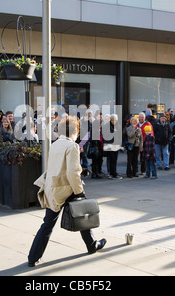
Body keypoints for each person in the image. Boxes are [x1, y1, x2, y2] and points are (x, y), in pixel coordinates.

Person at [28, 116, 107, 267]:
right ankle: (92, 246)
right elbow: (72, 173)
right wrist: (79, 191)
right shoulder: (72, 146)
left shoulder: (56, 144)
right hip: (67, 188)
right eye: (77, 131)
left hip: (53, 188)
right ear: (74, 131)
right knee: (83, 214)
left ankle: (33, 257)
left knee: (47, 225)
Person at [103, 114, 122, 179]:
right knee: (111, 159)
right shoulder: (106, 126)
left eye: (114, 120)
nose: (113, 121)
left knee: (114, 159)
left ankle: (113, 172)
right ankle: (112, 173)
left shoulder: (118, 126)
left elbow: (119, 136)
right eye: (112, 120)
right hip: (109, 145)